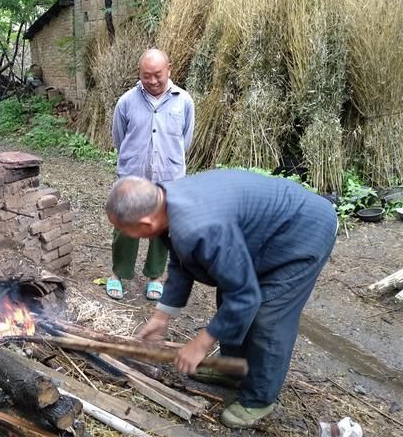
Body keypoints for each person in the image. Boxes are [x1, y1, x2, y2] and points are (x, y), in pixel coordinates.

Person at [105, 170, 338, 428]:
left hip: (303, 233)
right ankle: (233, 368)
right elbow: (182, 263)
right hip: (262, 233)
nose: (126, 236)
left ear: (146, 224)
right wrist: (161, 318)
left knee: (268, 316)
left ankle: (259, 398)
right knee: (229, 289)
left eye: (125, 231)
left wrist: (201, 343)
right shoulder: (164, 201)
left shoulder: (201, 226)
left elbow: (244, 295)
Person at [107, 48, 195, 301]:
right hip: (133, 176)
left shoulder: (184, 101)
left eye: (158, 74)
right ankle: (118, 273)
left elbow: (184, 139)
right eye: (147, 76)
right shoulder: (126, 101)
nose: (153, 80)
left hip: (168, 177)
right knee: (125, 225)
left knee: (162, 228)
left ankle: (155, 276)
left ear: (169, 69)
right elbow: (119, 138)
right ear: (139, 74)